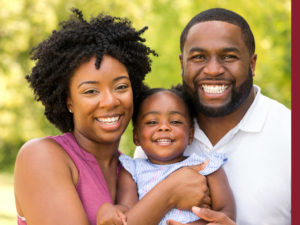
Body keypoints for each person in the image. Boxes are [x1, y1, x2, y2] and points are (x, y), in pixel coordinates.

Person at [14, 8, 213, 225]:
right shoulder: (41, 157)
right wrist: (169, 192)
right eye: (91, 91)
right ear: (68, 100)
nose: (110, 101)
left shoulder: (135, 170)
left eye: (120, 86)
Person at [134, 8, 291, 225]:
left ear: (252, 64)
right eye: (199, 57)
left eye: (228, 56)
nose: (214, 70)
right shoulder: (159, 134)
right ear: (182, 64)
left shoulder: (290, 134)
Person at [97, 86, 236, 225]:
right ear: (136, 137)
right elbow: (128, 212)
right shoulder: (132, 172)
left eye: (175, 121)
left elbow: (226, 213)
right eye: (152, 122)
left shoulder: (207, 167)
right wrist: (107, 209)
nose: (164, 127)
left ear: (190, 135)